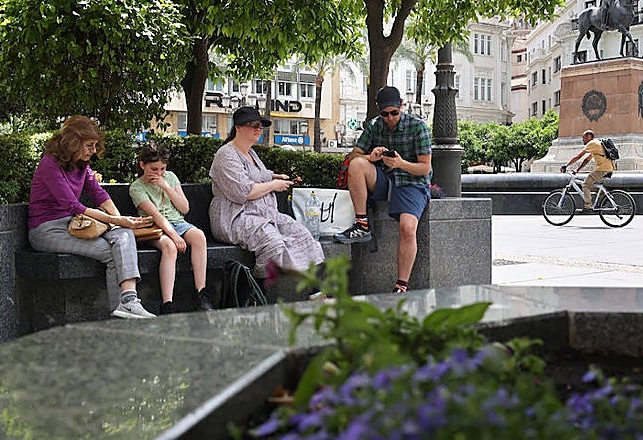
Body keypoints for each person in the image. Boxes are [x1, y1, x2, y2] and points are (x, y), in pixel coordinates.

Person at [28, 115, 156, 319]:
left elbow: (99, 194)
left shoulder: (81, 165)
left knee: (123, 234)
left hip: (73, 224)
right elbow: (73, 205)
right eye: (89, 145)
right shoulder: (49, 164)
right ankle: (121, 313)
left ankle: (129, 301)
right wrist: (118, 220)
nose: (94, 151)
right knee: (111, 251)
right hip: (46, 229)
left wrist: (121, 221)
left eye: (95, 145)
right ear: (72, 142)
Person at [335, 85, 432, 294]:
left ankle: (401, 286)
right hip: (384, 179)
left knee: (407, 228)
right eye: (385, 113)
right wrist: (369, 157)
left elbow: (425, 169)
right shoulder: (374, 125)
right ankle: (362, 223)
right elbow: (353, 156)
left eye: (394, 112)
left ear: (402, 106)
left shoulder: (418, 127)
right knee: (357, 164)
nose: (389, 118)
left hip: (411, 182)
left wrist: (401, 164)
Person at [209, 106, 324, 279]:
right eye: (253, 125)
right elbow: (243, 191)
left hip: (265, 214)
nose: (258, 129)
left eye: (260, 125)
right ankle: (259, 295)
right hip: (236, 217)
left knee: (302, 234)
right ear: (238, 127)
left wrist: (275, 176)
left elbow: (258, 175)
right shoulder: (226, 155)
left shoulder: (251, 152)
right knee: (273, 243)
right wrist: (273, 185)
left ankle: (315, 293)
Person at [130, 142, 214, 314]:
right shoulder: (137, 187)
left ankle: (201, 294)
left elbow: (184, 208)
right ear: (142, 165)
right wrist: (174, 236)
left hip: (178, 222)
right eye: (154, 169)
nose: (159, 173)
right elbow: (156, 216)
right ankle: (167, 304)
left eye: (162, 169)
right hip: (154, 226)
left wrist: (166, 186)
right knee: (169, 247)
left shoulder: (170, 178)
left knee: (199, 236)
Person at [562, 129, 616, 209]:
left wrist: (566, 166)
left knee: (585, 185)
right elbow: (587, 159)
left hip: (603, 169)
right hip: (608, 167)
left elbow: (578, 156)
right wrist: (577, 170)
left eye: (584, 137)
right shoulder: (596, 144)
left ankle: (588, 206)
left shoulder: (592, 143)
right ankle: (605, 196)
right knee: (590, 185)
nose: (582, 139)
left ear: (589, 137)